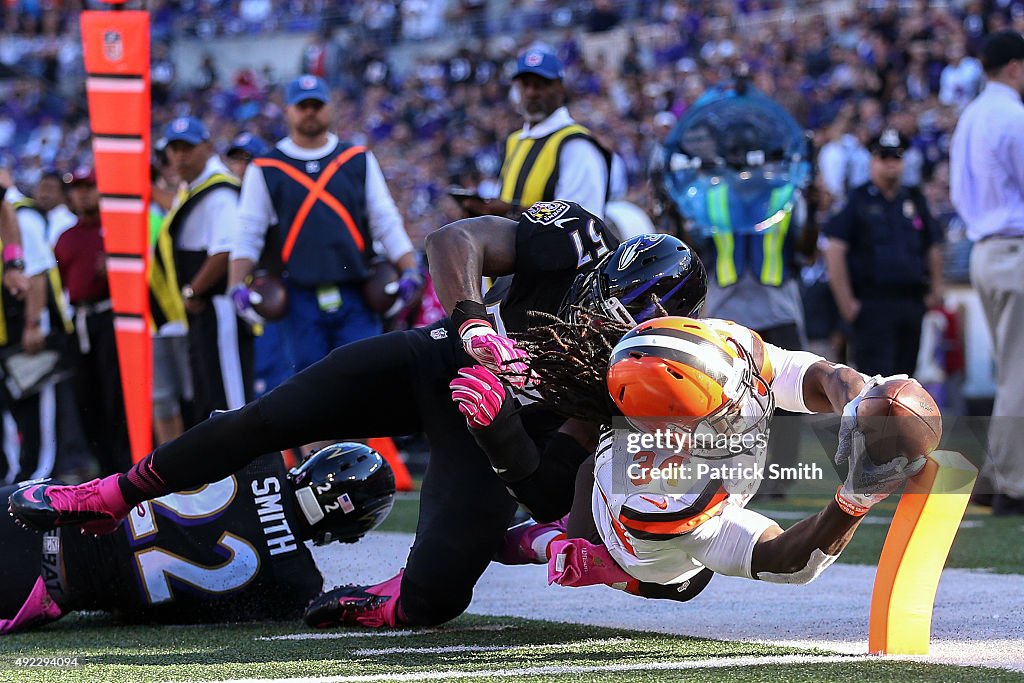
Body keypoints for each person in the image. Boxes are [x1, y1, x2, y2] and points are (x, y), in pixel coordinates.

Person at [8, 203, 704, 630]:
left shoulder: (631, 376)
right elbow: (453, 241)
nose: (593, 324)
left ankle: (394, 599)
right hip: (439, 359)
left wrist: (501, 433)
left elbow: (550, 489)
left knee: (434, 601)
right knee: (269, 416)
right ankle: (108, 496)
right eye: (598, 301)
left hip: (494, 433)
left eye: (613, 325)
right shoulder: (576, 237)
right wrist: (470, 324)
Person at [453, 313, 927, 596]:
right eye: (722, 412)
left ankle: (555, 540)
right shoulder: (657, 492)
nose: (746, 401)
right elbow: (789, 561)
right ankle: (565, 549)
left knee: (577, 497)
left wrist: (861, 398)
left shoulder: (723, 350)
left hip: (628, 469)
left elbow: (813, 373)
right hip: (652, 556)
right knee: (679, 583)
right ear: (672, 429)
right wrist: (855, 498)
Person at [2, 443, 394, 633]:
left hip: (49, 512)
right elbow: (163, 614)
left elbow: (177, 451)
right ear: (349, 531)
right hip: (47, 590)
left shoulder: (257, 453)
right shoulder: (296, 587)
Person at [228, 75, 420, 375]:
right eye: (302, 105)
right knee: (310, 387)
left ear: (328, 109)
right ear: (288, 110)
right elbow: (247, 233)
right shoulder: (266, 168)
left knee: (366, 380)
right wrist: (236, 284)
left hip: (357, 291)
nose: (309, 112)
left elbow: (385, 219)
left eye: (316, 105)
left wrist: (409, 268)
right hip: (298, 296)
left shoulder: (356, 158)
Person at [949, 30, 1024, 516]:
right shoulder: (1013, 115)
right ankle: (1013, 484)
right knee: (1020, 373)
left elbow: (957, 193)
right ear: (1015, 68)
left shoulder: (970, 116)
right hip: (1015, 249)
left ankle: (999, 475)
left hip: (983, 248)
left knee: (1011, 372)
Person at [824, 128, 945, 377]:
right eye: (884, 157)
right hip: (873, 304)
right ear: (872, 160)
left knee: (907, 382)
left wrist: (936, 288)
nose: (891, 163)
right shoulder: (858, 199)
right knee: (877, 385)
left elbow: (932, 244)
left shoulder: (914, 198)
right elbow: (834, 248)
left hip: (911, 301)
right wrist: (847, 303)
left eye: (896, 157)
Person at [161, 116, 253, 418]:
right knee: (210, 393)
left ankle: (250, 465)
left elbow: (225, 251)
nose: (179, 156)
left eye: (187, 147)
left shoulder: (219, 193)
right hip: (204, 310)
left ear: (207, 147)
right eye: (173, 149)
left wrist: (192, 290)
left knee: (230, 397)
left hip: (219, 305)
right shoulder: (193, 187)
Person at [452, 49, 610, 219]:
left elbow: (582, 221)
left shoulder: (575, 144)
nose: (531, 92)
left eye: (540, 85)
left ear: (560, 88)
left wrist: (509, 211)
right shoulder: (514, 141)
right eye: (525, 85)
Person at [53, 169, 132, 475]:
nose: (82, 194)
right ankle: (105, 470)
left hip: (113, 317)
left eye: (89, 187)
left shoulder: (118, 229)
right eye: (77, 188)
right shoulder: (67, 237)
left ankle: (128, 466)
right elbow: (59, 283)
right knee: (87, 398)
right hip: (81, 322)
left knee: (117, 396)